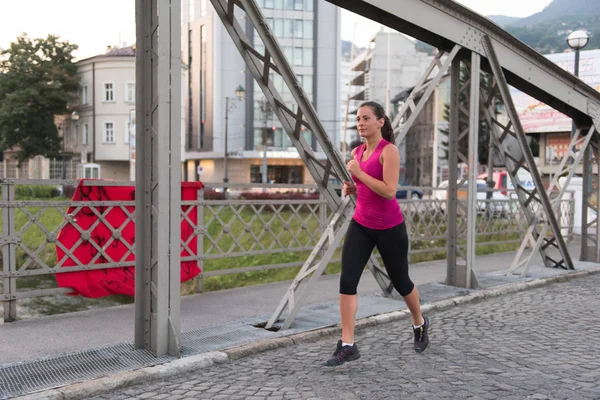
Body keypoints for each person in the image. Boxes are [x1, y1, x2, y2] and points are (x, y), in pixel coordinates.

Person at [324, 101, 429, 367]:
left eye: (366, 118)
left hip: (389, 228)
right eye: (358, 119)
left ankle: (419, 322)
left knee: (401, 281)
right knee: (347, 281)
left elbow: (389, 191)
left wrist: (359, 173)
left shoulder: (389, 151)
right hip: (361, 224)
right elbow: (367, 190)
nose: (360, 123)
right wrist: (351, 187)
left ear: (380, 121)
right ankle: (348, 344)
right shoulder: (357, 152)